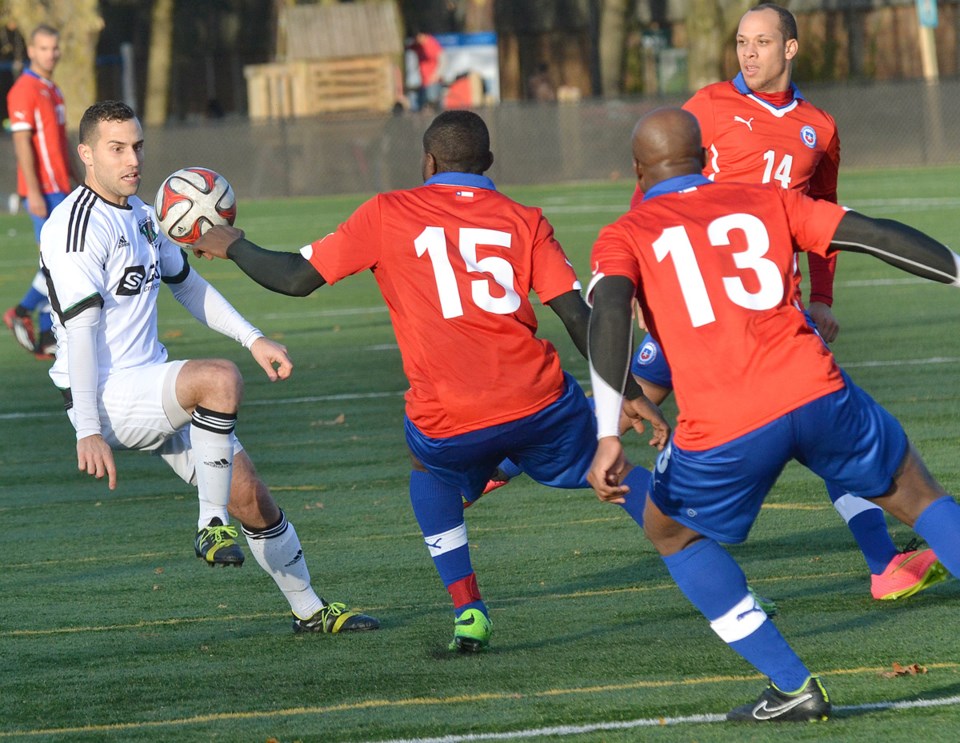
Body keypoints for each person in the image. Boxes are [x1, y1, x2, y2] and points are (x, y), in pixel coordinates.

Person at [192, 109, 669, 652]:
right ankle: (700, 556)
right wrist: (628, 393)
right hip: (538, 400)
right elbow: (579, 319)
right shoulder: (525, 219)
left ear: (428, 161)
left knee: (430, 471)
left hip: (449, 414)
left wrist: (233, 245)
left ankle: (469, 609)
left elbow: (296, 280)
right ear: (488, 163)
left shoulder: (387, 212)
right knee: (611, 469)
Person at [587, 106, 960, 722]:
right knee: (919, 496)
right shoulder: (766, 197)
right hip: (816, 390)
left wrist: (606, 432)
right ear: (706, 158)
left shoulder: (624, 233)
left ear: (636, 170)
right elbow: (871, 233)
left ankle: (793, 686)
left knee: (670, 531)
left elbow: (607, 316)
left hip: (726, 421)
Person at [628, 4, 944, 601]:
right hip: (699, 297)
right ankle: (507, 454)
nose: (748, 54)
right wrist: (644, 281)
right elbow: (652, 192)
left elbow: (829, 218)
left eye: (762, 42)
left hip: (768, 303)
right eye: (742, 42)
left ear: (790, 49)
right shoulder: (710, 105)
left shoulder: (818, 128)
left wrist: (821, 297)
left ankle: (882, 563)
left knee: (820, 426)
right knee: (634, 397)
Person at [38, 100, 378, 635]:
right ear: (86, 154)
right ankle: (209, 524)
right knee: (218, 380)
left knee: (252, 497)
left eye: (138, 146)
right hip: (104, 397)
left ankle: (310, 610)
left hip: (151, 386)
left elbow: (188, 285)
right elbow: (80, 334)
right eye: (117, 148)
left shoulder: (145, 217)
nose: (133, 160)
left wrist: (254, 337)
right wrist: (87, 429)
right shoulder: (76, 226)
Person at [4, 24, 80, 360]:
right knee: (57, 261)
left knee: (62, 260)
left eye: (54, 47)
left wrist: (80, 180)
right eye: (44, 48)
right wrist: (32, 192)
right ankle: (23, 312)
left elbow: (61, 142)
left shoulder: (53, 89)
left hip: (63, 187)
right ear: (31, 51)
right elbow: (22, 142)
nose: (51, 53)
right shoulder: (24, 90)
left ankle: (47, 332)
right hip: (45, 191)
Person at [407, 30, 444, 113]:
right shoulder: (418, 45)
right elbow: (408, 48)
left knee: (432, 104)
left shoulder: (431, 44)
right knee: (420, 105)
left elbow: (443, 60)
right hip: (424, 82)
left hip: (433, 81)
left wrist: (436, 75)